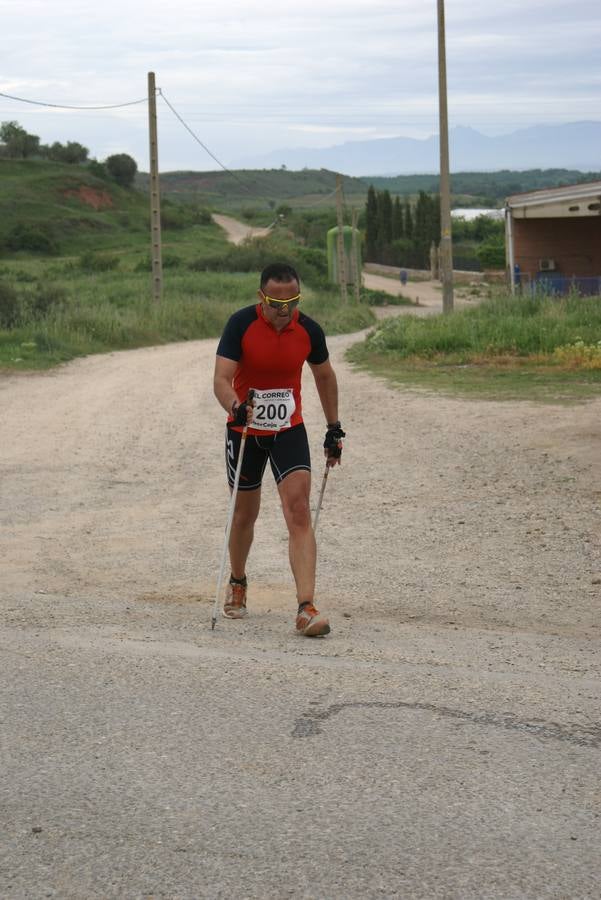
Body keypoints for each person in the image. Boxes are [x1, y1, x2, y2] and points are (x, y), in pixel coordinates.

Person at [213, 262, 345, 637]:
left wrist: (333, 427)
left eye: (293, 302)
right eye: (276, 304)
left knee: (299, 510)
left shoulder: (309, 330)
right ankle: (238, 580)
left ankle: (306, 608)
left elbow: (324, 375)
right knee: (244, 514)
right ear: (261, 297)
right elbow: (221, 379)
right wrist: (235, 406)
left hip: (288, 428)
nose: (284, 311)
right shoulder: (240, 324)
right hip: (245, 428)